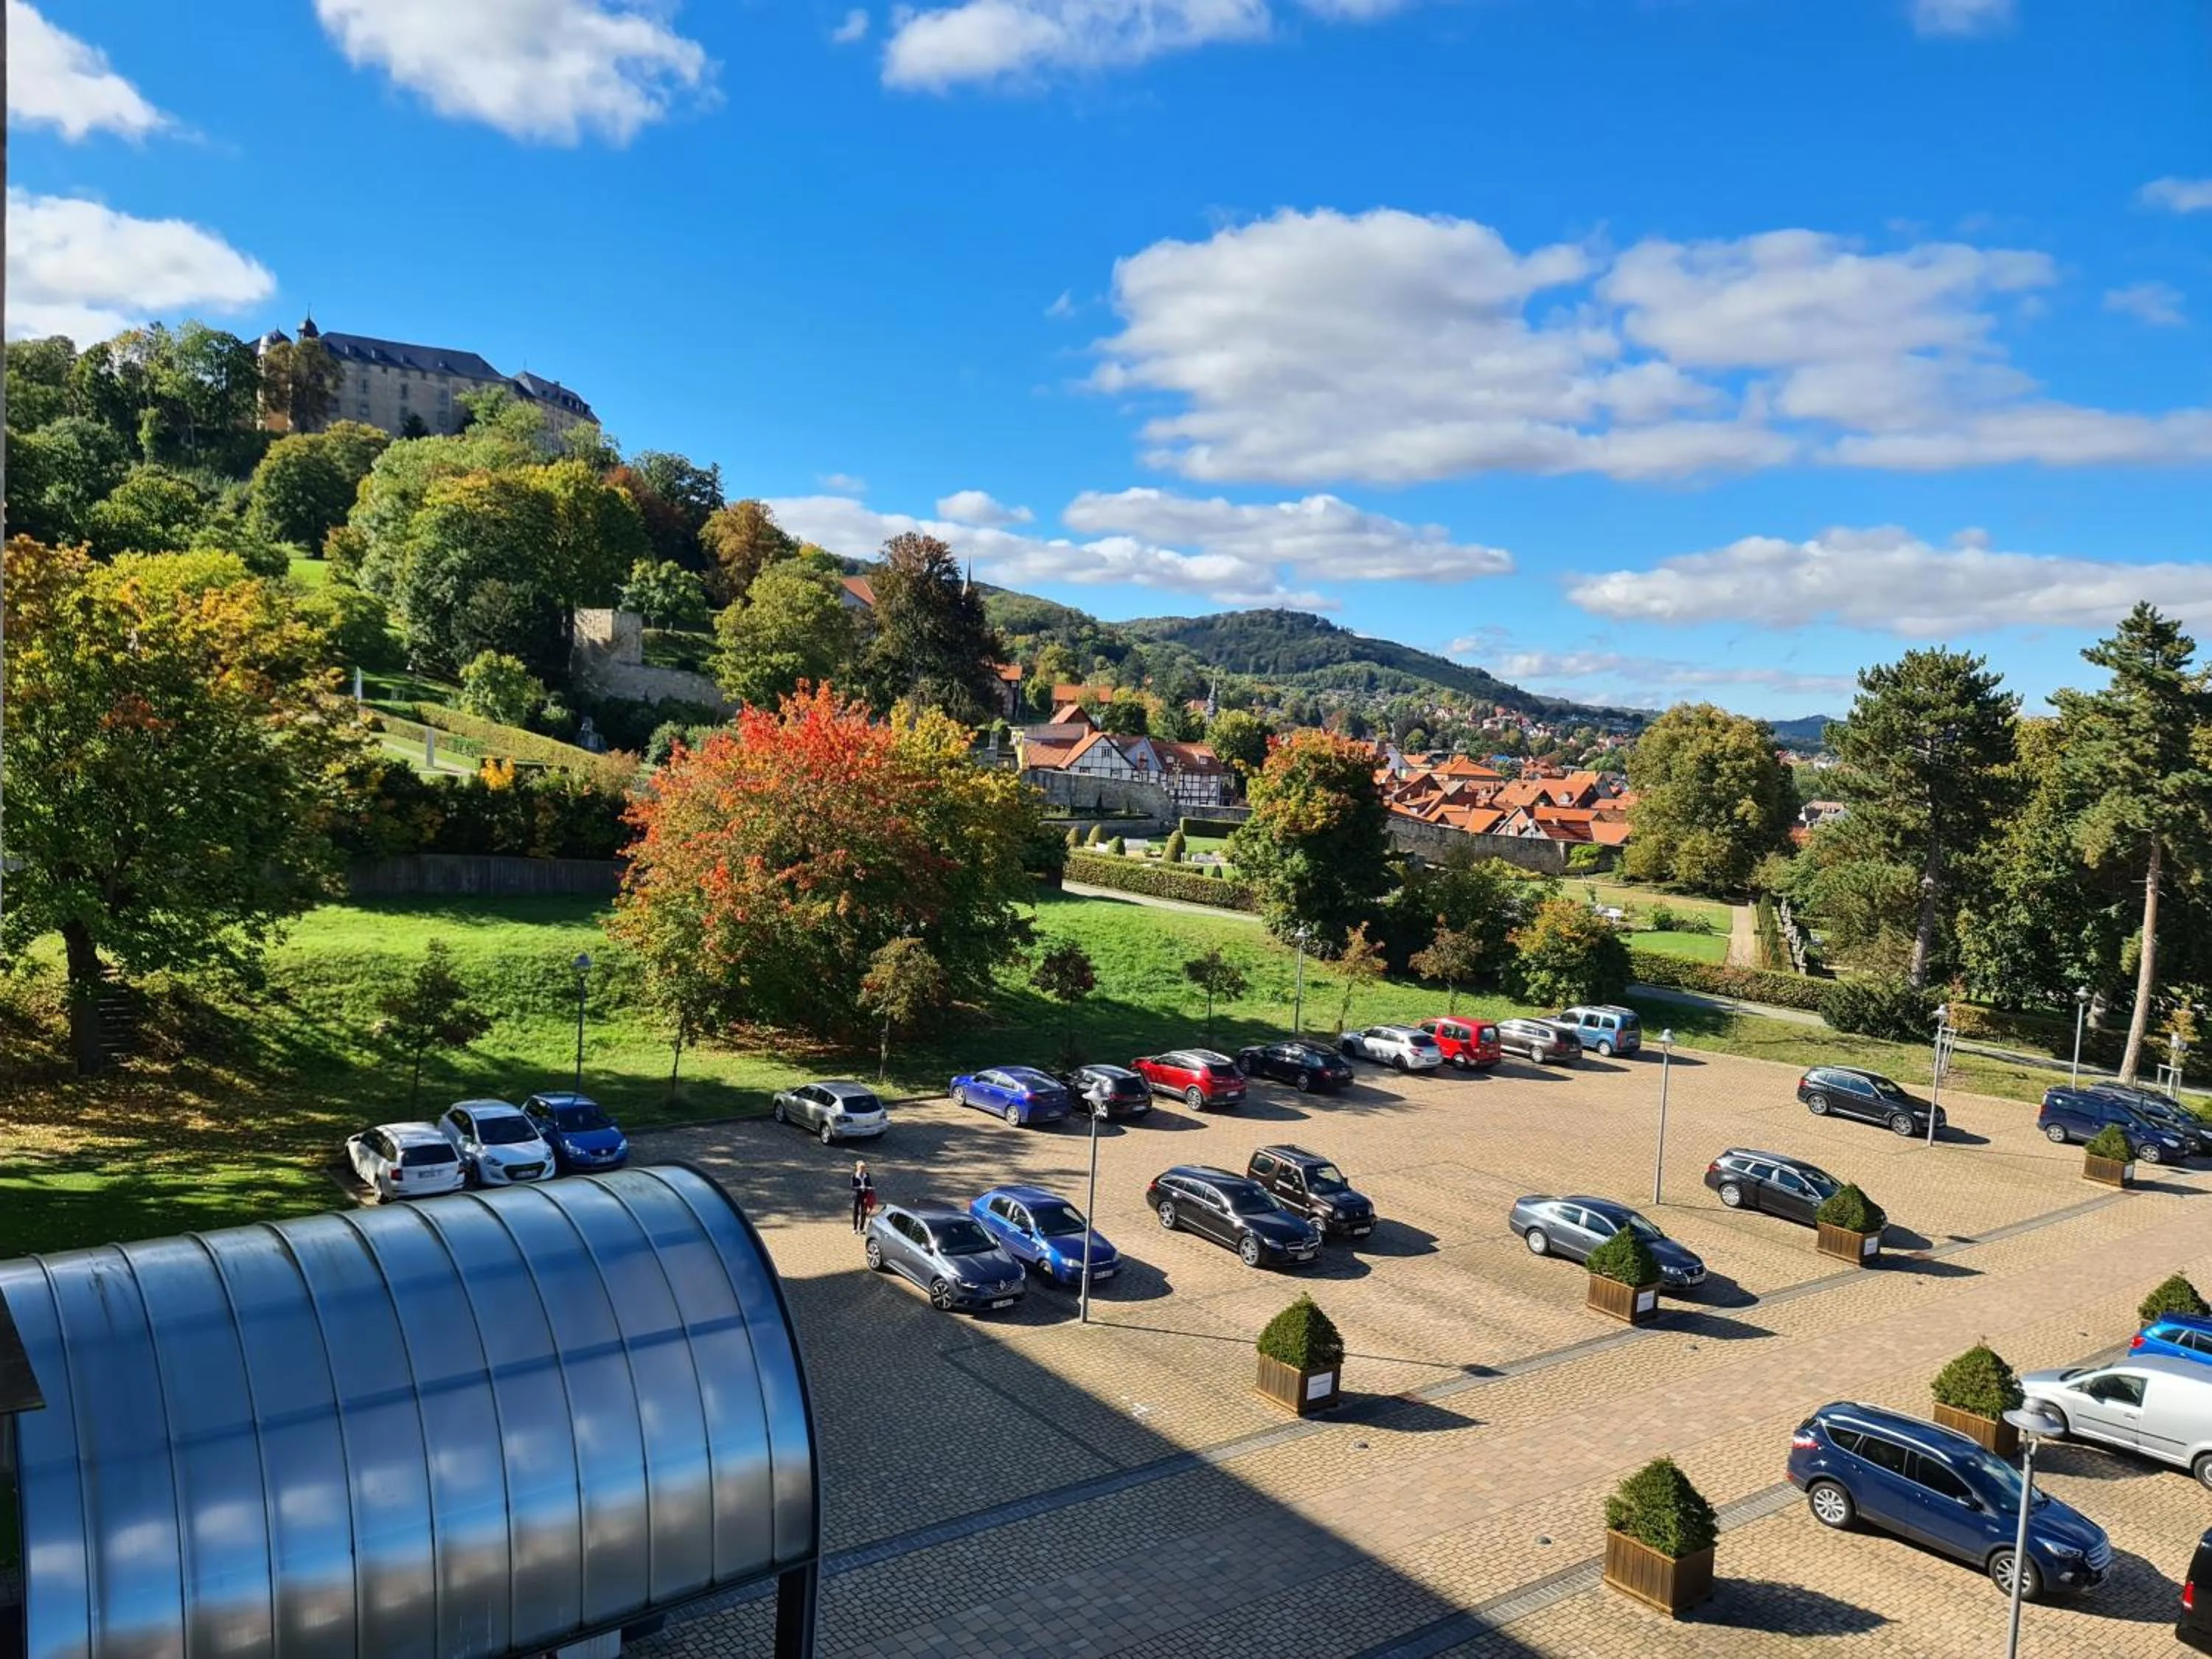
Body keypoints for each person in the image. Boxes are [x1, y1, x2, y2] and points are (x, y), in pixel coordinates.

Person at [851, 1161, 874, 1233]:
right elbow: (853, 1187)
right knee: (856, 1212)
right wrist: (860, 1187)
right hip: (857, 1196)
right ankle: (855, 1228)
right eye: (861, 1168)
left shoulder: (867, 1175)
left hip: (865, 1196)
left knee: (863, 1212)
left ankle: (861, 1228)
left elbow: (870, 1184)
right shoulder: (854, 1176)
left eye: (864, 1168)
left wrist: (870, 1188)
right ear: (858, 1168)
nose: (863, 1170)